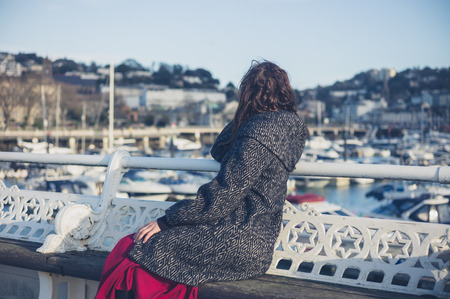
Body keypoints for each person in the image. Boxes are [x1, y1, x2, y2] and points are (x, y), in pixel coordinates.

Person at [95, 60, 309, 299]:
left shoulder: (258, 133)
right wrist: (246, 117)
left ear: (249, 94)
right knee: (140, 248)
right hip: (255, 242)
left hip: (239, 239)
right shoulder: (289, 128)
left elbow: (223, 195)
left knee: (136, 247)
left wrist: (167, 221)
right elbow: (219, 150)